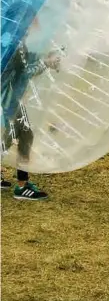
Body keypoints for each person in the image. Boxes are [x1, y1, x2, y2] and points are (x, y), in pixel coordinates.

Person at [1, 37, 62, 200]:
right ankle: (21, 187)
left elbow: (23, 61)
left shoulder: (9, 36)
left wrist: (47, 56)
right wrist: (47, 62)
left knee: (16, 135)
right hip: (9, 98)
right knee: (18, 136)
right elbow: (26, 70)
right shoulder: (15, 40)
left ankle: (22, 184)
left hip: (7, 96)